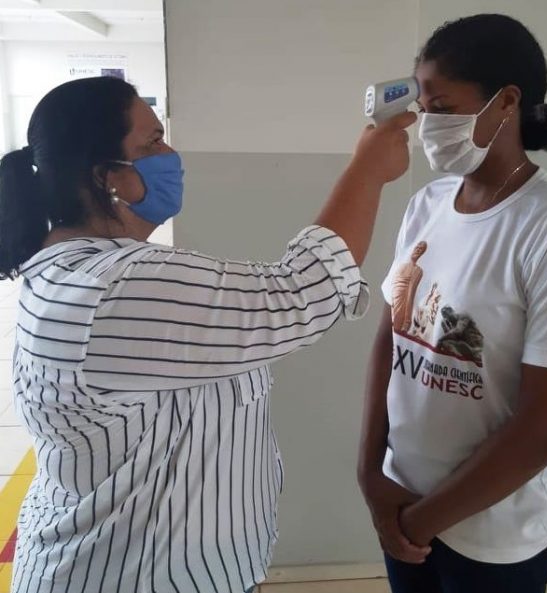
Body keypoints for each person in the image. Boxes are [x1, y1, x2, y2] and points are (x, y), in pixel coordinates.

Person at [0, 76, 416, 593]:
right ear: (108, 177)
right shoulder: (112, 289)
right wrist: (368, 171)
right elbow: (300, 293)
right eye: (153, 141)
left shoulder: (85, 274)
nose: (171, 154)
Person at [358, 13, 547, 593]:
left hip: (496, 535)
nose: (428, 125)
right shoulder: (428, 204)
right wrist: (371, 473)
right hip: (402, 499)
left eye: (443, 108)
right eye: (424, 108)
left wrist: (421, 523)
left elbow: (545, 430)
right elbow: (392, 335)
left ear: (506, 102)